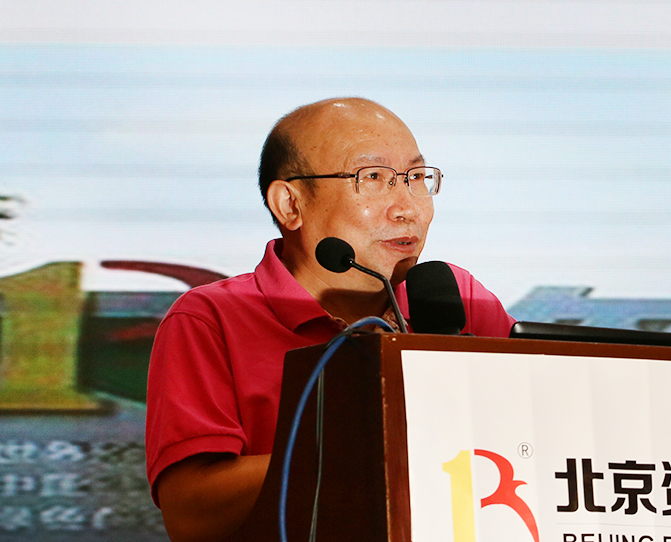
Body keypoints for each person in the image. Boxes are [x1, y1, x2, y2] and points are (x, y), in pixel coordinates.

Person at [144, 97, 515, 542]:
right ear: (290, 204)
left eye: (416, 178)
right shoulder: (210, 319)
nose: (408, 208)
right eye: (372, 178)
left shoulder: (455, 297)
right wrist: (361, 446)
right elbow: (191, 515)